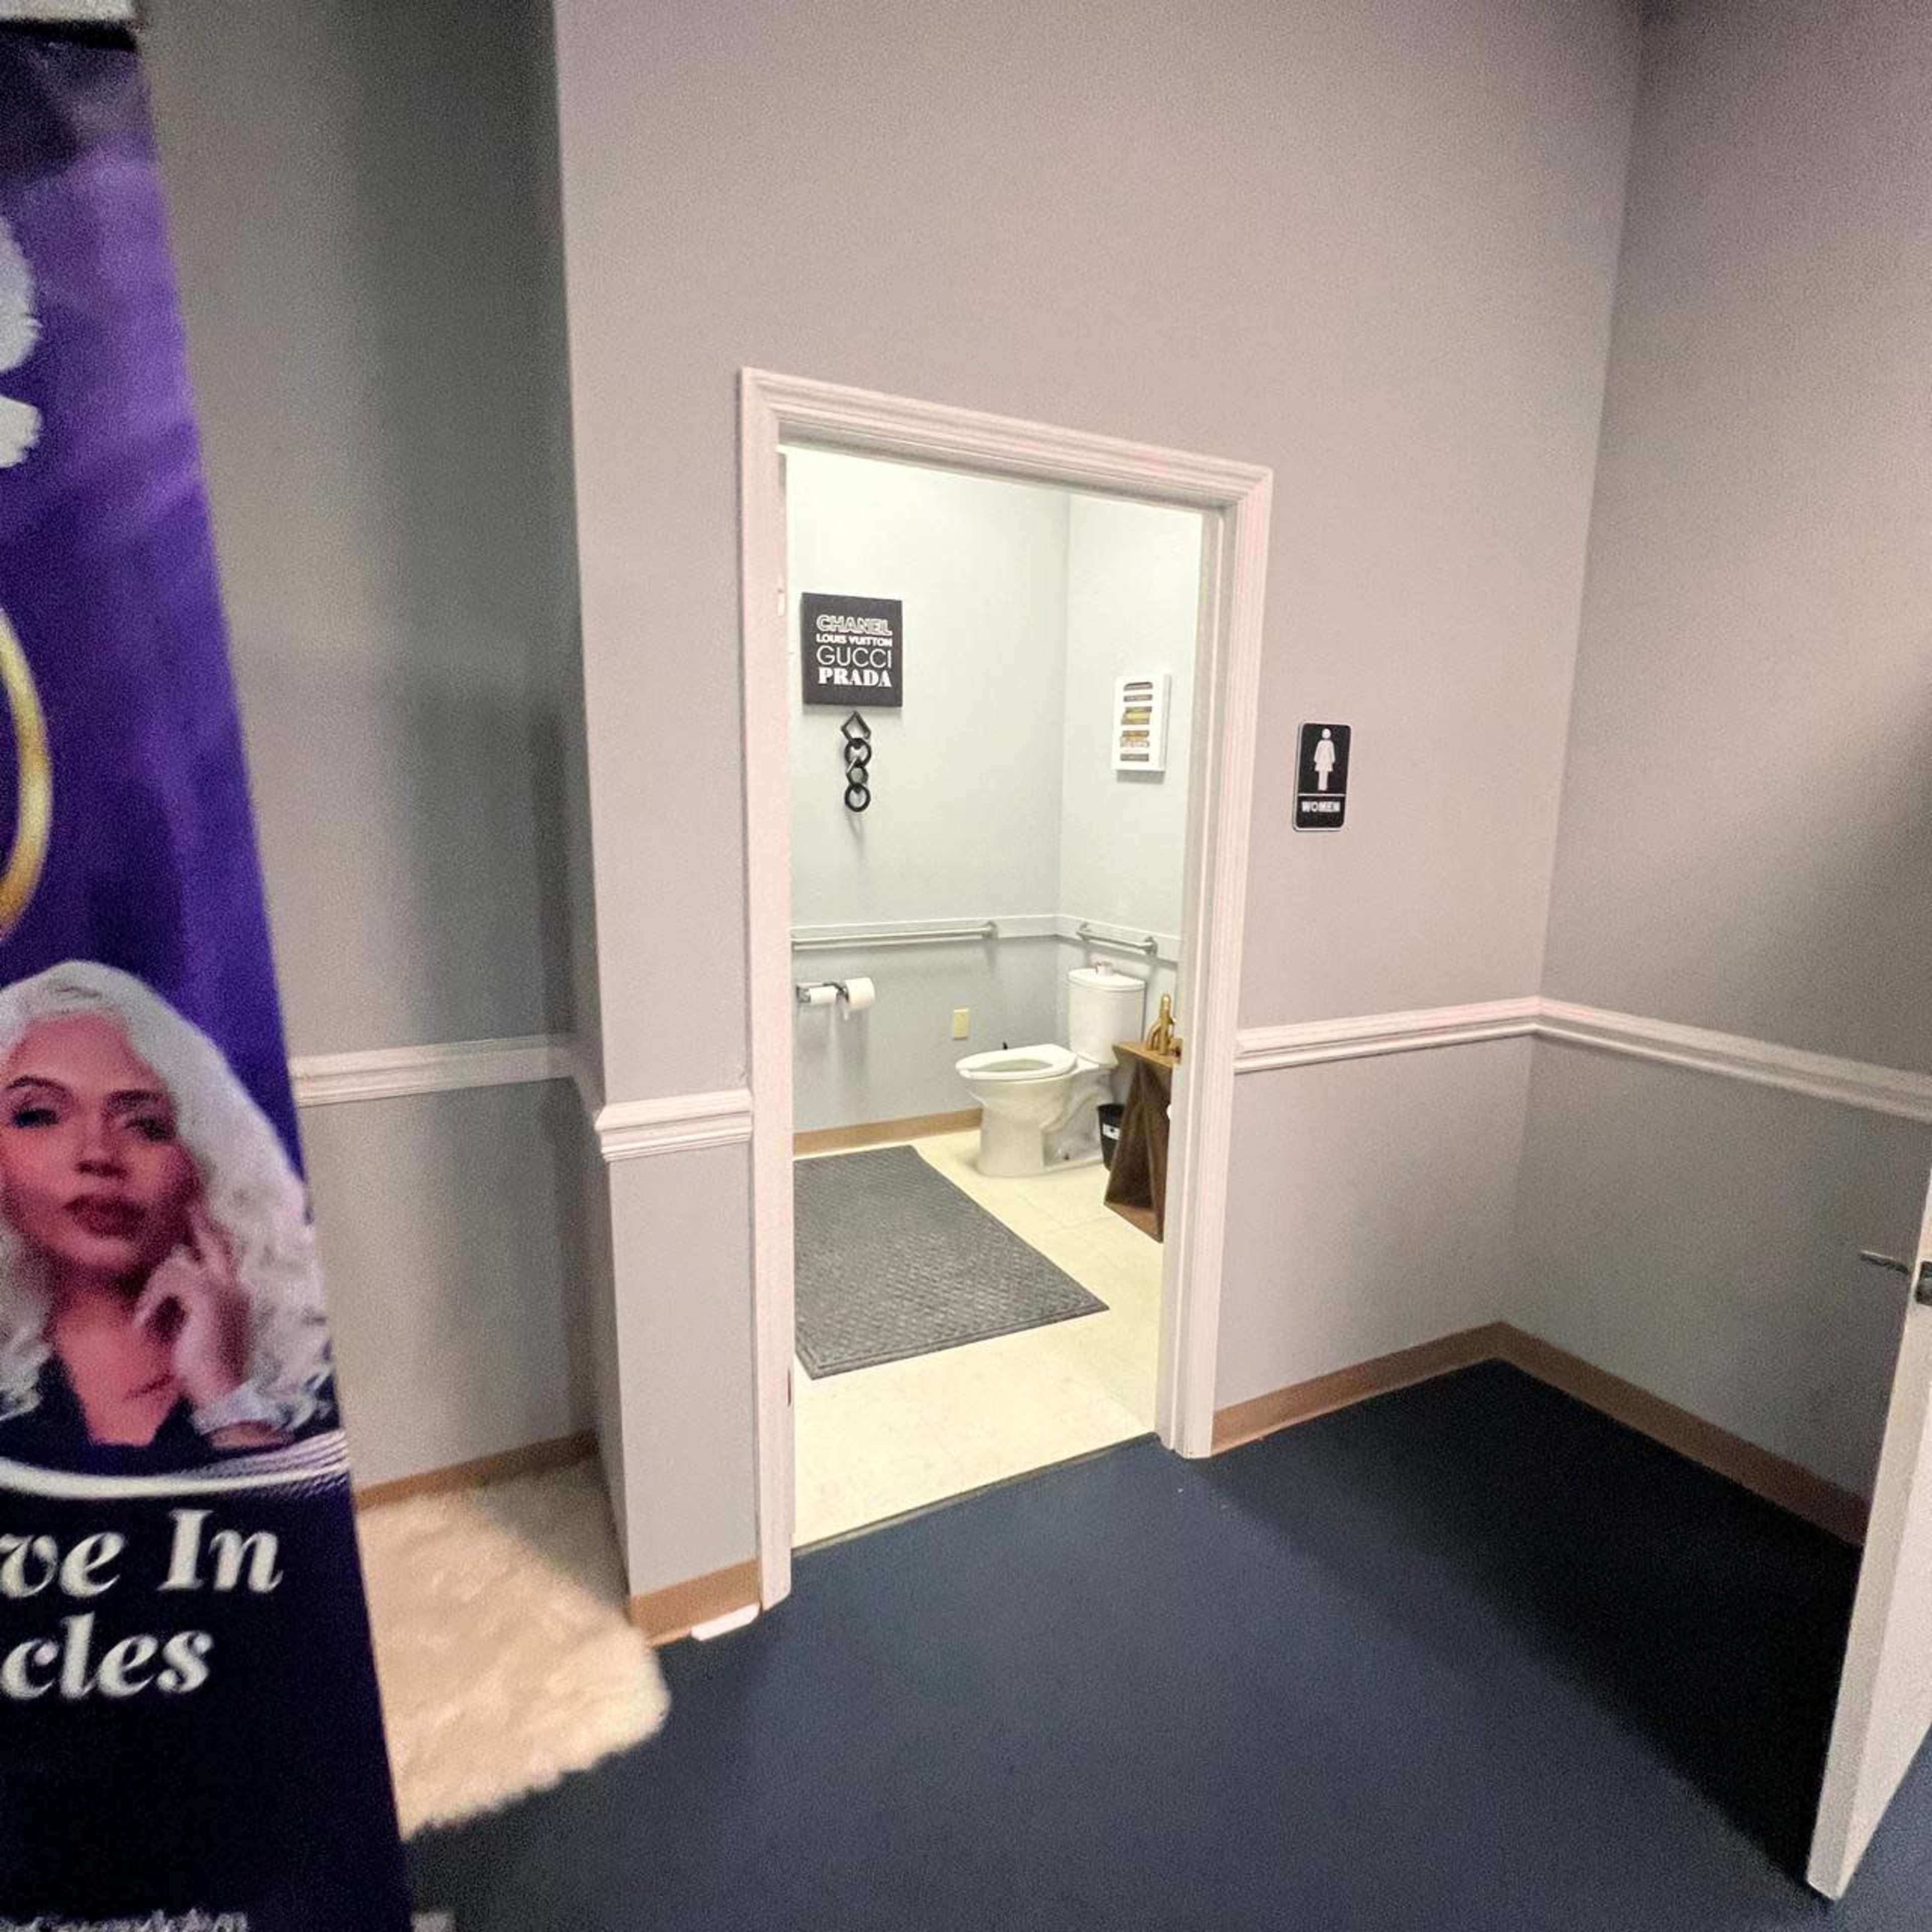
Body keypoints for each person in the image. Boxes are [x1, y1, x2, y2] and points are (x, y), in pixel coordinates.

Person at [0, 959, 333, 1472]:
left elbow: (302, 1519)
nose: (98, 1154)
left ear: (205, 1161)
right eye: (39, 1115)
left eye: (145, 1125)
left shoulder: (311, 1359)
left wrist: (225, 1395)